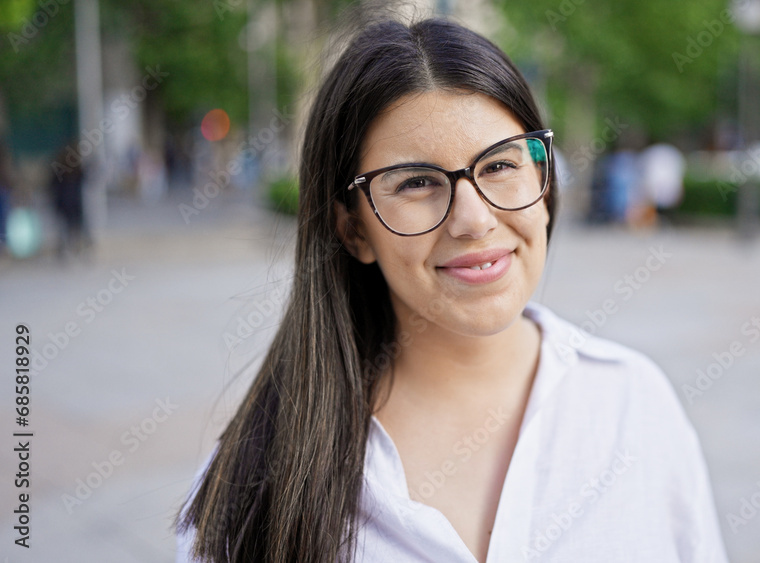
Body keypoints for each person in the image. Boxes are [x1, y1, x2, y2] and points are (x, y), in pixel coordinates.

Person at [176, 16, 728, 563]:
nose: (474, 219)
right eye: (416, 182)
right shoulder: (259, 482)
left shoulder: (634, 405)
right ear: (352, 228)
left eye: (501, 164)